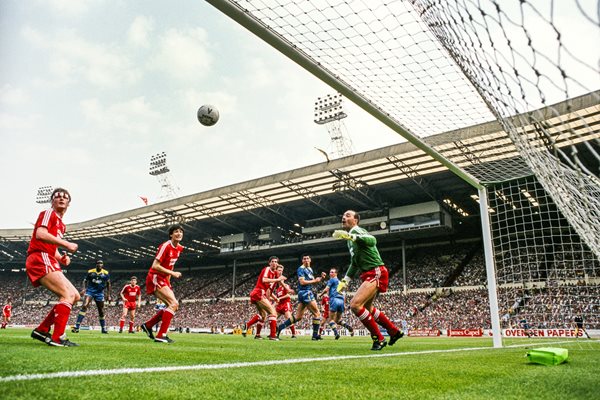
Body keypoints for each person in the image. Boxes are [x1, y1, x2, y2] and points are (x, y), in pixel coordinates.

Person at [333, 210, 403, 350]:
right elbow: (354, 263)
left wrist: (352, 236)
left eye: (348, 215)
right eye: (343, 215)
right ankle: (394, 331)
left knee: (355, 305)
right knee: (367, 308)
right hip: (369, 272)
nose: (343, 217)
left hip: (375, 271)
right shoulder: (350, 241)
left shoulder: (358, 231)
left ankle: (379, 338)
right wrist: (345, 280)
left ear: (356, 220)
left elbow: (372, 240)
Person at [26, 187, 81, 347]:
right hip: (40, 257)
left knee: (75, 295)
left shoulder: (61, 225)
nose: (61, 198)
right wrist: (67, 244)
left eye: (65, 197)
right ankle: (58, 337)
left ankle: (42, 329)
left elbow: (51, 247)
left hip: (48, 257)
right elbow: (40, 235)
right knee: (67, 295)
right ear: (52, 201)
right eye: (58, 196)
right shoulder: (48, 213)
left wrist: (61, 258)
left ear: (69, 204)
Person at [140, 225, 184, 343]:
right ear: (171, 234)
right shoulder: (165, 246)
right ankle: (161, 335)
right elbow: (155, 266)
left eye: (181, 232)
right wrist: (173, 273)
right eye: (176, 231)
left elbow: (170, 264)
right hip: (155, 276)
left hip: (164, 279)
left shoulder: (179, 248)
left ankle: (148, 325)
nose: (179, 233)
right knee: (173, 303)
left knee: (174, 306)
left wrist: (168, 281)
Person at [276, 254, 325, 340]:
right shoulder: (301, 269)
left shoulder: (310, 269)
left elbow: (312, 281)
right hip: (306, 292)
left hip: (304, 293)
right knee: (317, 313)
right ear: (302, 261)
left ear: (310, 260)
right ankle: (314, 336)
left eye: (307, 258)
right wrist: (315, 280)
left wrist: (320, 278)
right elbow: (302, 282)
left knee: (298, 317)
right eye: (304, 259)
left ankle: (280, 327)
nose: (306, 260)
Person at [242, 256, 286, 340]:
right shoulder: (267, 269)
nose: (274, 263)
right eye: (272, 261)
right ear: (269, 263)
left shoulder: (274, 275)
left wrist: (276, 297)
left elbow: (269, 289)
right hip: (259, 293)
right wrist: (277, 280)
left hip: (258, 294)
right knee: (272, 312)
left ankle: (251, 329)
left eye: (276, 262)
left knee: (263, 315)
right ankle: (273, 336)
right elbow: (264, 280)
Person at [72, 260, 112, 334]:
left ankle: (103, 328)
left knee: (101, 311)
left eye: (101, 263)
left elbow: (108, 284)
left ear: (102, 265)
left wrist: (108, 295)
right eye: (98, 263)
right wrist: (84, 289)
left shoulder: (106, 273)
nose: (99, 264)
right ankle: (77, 327)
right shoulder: (90, 272)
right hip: (90, 291)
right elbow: (85, 281)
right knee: (84, 306)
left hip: (100, 293)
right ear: (96, 265)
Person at [318, 267, 354, 339]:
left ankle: (336, 333)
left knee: (330, 320)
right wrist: (344, 304)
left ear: (336, 273)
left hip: (334, 300)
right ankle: (349, 327)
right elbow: (343, 293)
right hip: (341, 300)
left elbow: (326, 289)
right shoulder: (340, 282)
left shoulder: (331, 280)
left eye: (332, 272)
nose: (330, 273)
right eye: (330, 272)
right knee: (338, 320)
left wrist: (321, 294)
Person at [270, 264, 297, 338]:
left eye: (281, 271)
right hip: (279, 305)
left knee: (289, 318)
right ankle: (274, 332)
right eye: (279, 270)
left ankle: (294, 334)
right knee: (273, 317)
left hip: (285, 304)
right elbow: (278, 299)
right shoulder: (278, 289)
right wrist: (275, 304)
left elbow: (288, 296)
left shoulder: (286, 286)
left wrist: (279, 299)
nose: (280, 272)